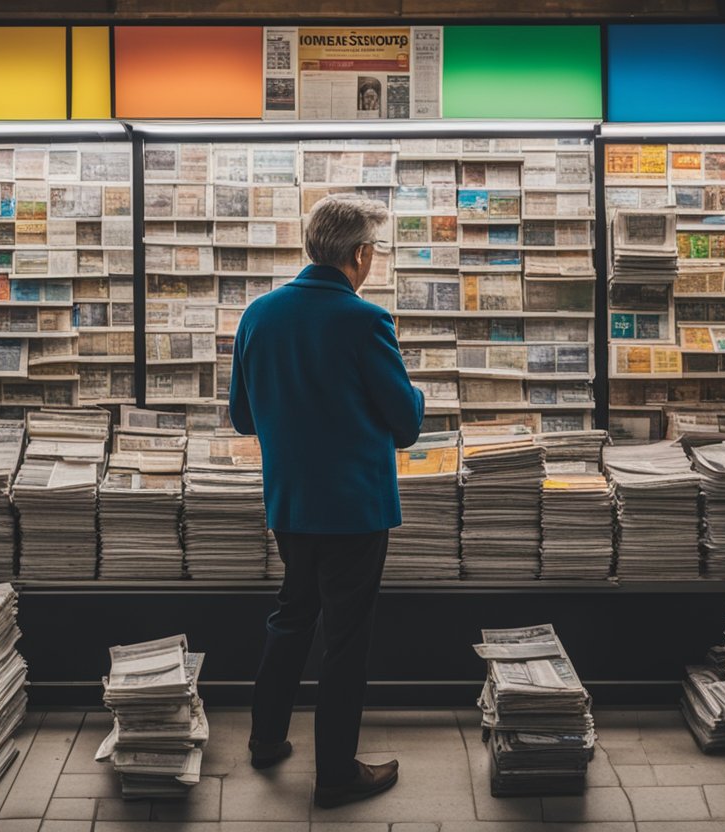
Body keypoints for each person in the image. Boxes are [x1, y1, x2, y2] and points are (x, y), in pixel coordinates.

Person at [228, 196, 424, 809]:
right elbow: (405, 423)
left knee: (292, 614)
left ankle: (265, 739)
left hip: (290, 503)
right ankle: (335, 772)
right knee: (345, 639)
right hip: (355, 509)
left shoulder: (258, 315)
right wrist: (412, 390)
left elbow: (241, 417)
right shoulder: (364, 321)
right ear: (360, 254)